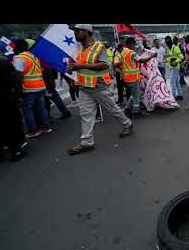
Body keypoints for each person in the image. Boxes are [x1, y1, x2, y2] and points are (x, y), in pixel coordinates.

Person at [66, 24, 133, 155]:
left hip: (98, 86)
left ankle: (127, 123)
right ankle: (87, 142)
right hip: (84, 87)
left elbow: (104, 65)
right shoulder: (80, 48)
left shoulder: (99, 47)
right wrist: (74, 73)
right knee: (86, 115)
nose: (75, 34)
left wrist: (80, 65)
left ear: (86, 32)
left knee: (112, 108)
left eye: (77, 31)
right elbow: (80, 67)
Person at [0, 35, 28, 163]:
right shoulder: (1, 61)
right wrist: (19, 97)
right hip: (6, 99)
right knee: (11, 124)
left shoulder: (0, 60)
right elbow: (14, 81)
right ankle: (16, 150)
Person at [12, 38, 52, 138]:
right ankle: (46, 127)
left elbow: (19, 74)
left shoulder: (19, 58)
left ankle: (33, 131)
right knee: (41, 108)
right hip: (40, 86)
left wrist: (18, 89)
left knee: (27, 109)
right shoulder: (33, 56)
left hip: (28, 88)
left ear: (17, 47)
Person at [114, 36, 152, 118]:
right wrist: (151, 56)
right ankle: (135, 111)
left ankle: (127, 109)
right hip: (133, 78)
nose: (134, 46)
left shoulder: (122, 52)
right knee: (136, 95)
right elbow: (142, 60)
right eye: (134, 44)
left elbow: (117, 63)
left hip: (127, 78)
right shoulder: (131, 53)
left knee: (133, 94)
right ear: (131, 44)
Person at [137, 46, 179, 112]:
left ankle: (151, 101)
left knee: (169, 83)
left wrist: (147, 50)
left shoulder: (154, 51)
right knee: (145, 89)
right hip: (144, 75)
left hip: (155, 71)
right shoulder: (137, 55)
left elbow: (156, 55)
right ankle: (144, 102)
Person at [165, 36, 184, 101]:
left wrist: (175, 61)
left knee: (172, 82)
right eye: (166, 41)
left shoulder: (175, 48)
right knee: (176, 82)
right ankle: (180, 95)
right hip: (172, 67)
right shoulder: (168, 48)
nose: (167, 42)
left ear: (171, 41)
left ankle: (174, 96)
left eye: (168, 41)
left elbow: (181, 57)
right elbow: (170, 57)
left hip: (175, 67)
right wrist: (166, 60)